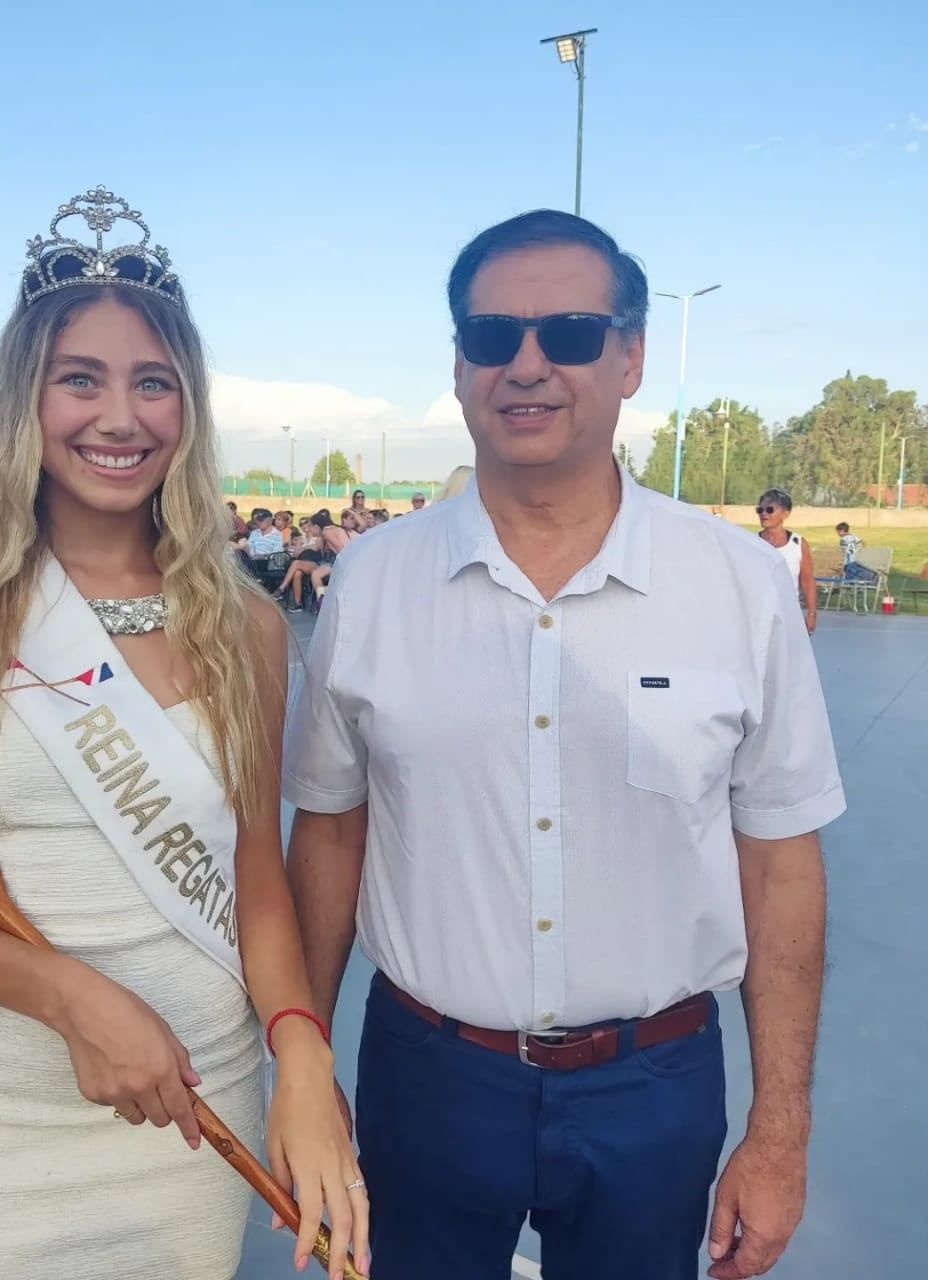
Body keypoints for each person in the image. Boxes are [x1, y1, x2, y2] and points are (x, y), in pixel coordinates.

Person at [284, 209, 844, 1280]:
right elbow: (328, 832)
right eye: (491, 338)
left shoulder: (733, 585)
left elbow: (777, 862)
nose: (526, 364)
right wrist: (302, 1059)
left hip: (654, 1077)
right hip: (428, 1071)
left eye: (571, 334)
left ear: (629, 357)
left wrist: (778, 1131)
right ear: (457, 367)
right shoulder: (374, 580)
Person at [0, 186, 366, 1280]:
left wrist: (300, 1051)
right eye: (79, 378)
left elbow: (255, 875)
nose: (118, 416)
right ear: (23, 400)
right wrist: (72, 996)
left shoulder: (251, 625)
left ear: (187, 410)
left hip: (188, 1106)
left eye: (152, 383)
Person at [757, 488, 817, 634]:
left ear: (786, 513)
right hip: (758, 617)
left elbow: (807, 580)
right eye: (760, 510)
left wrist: (811, 613)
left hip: (789, 617)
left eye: (770, 509)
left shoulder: (798, 544)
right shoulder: (752, 543)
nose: (764, 514)